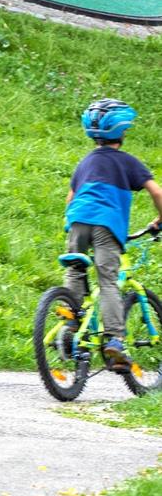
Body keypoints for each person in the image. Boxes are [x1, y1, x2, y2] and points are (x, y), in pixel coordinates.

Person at [63, 98, 162, 371]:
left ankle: (71, 325)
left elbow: (71, 198)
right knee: (108, 280)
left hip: (77, 221)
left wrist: (70, 225)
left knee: (75, 270)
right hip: (106, 225)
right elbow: (157, 192)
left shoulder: (85, 162)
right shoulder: (128, 162)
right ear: (121, 131)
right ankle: (115, 340)